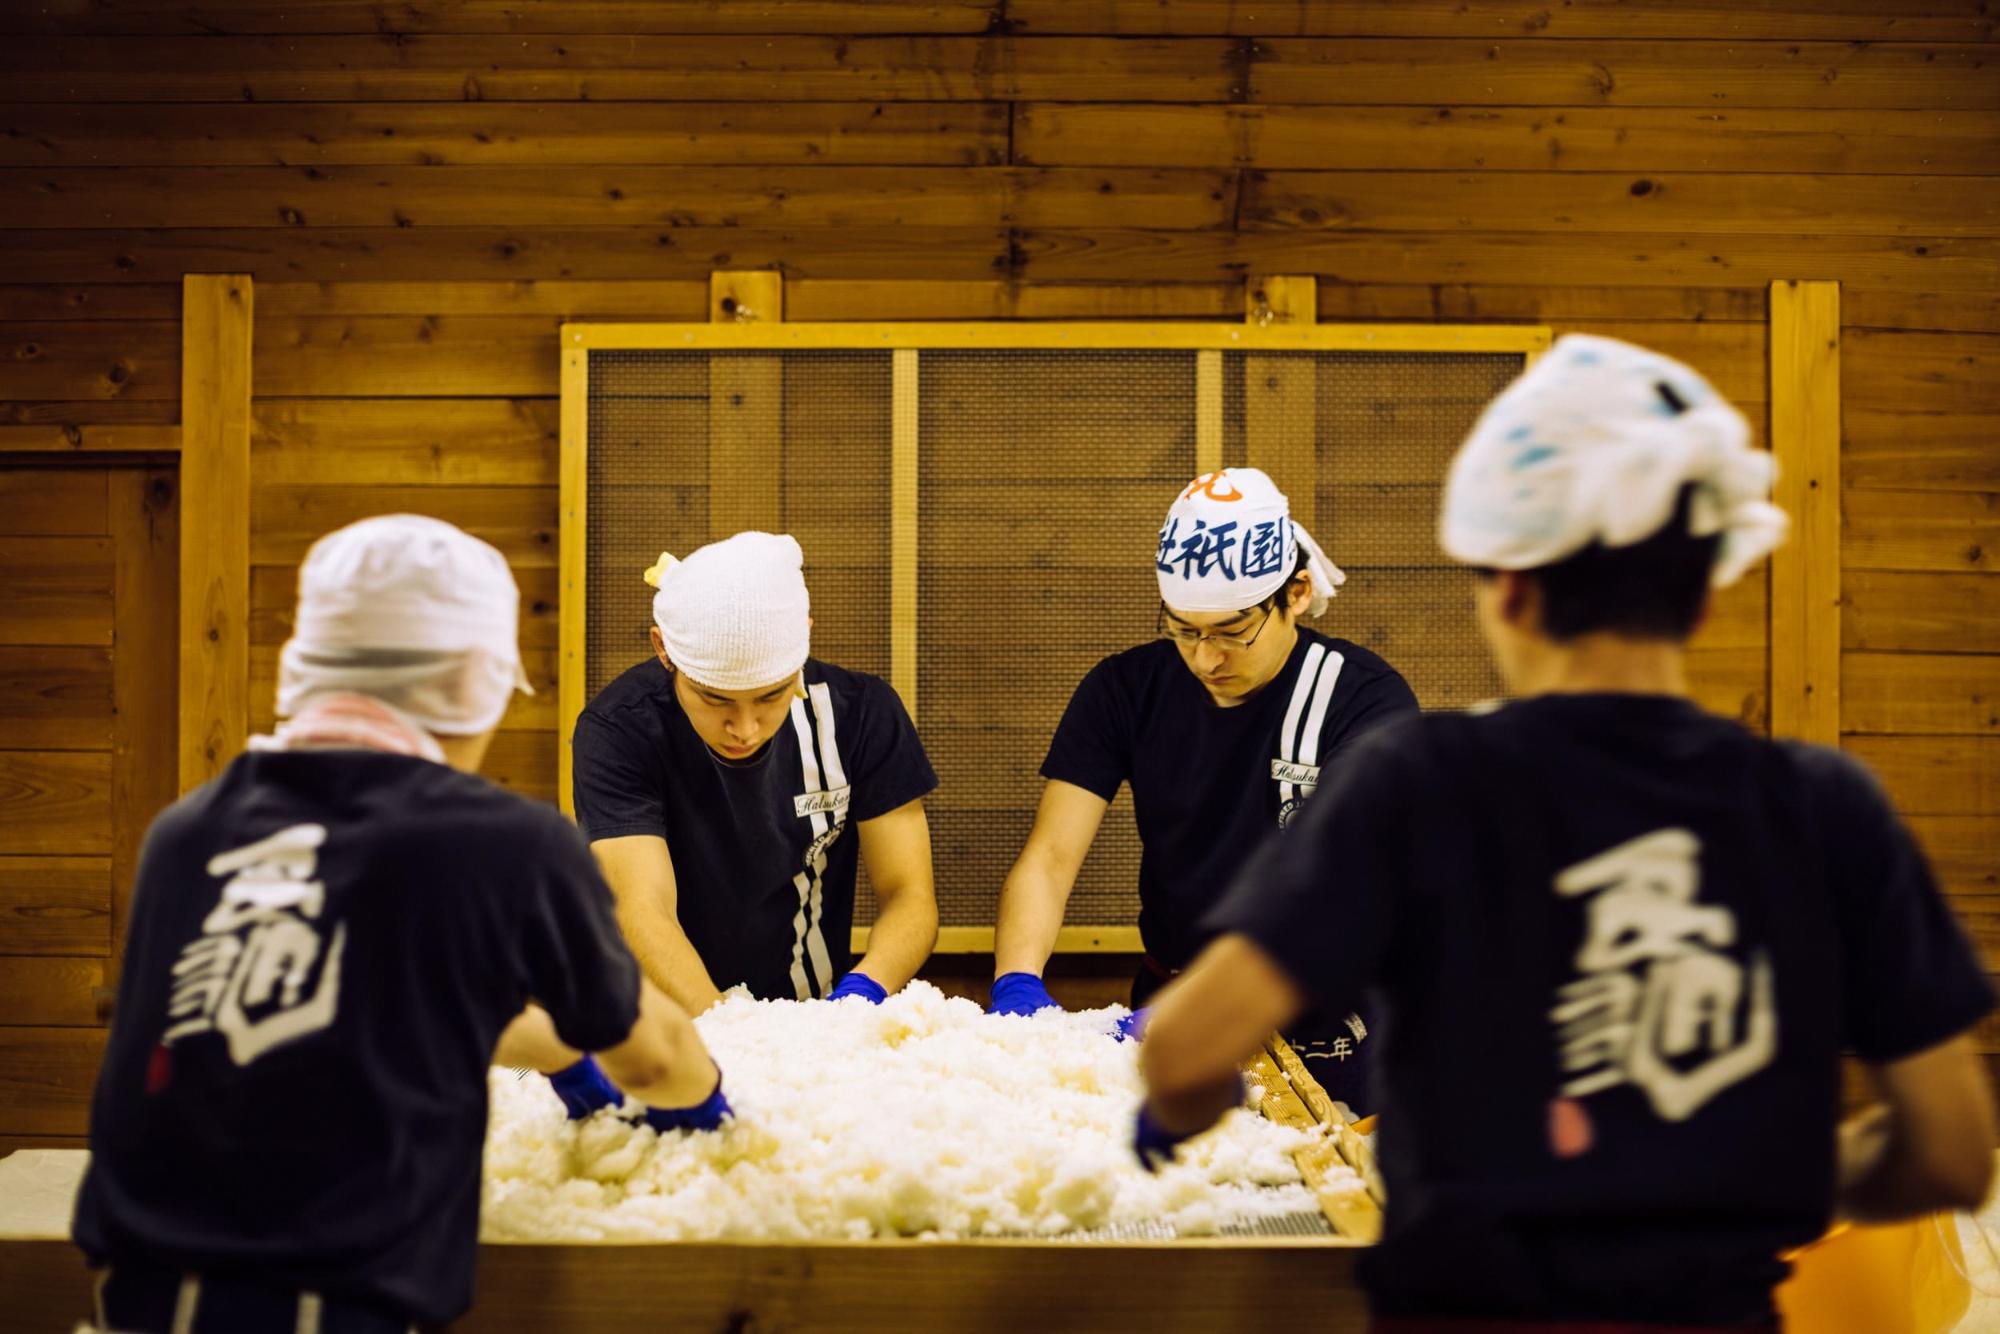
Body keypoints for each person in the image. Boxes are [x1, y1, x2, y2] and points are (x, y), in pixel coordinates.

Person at [1134, 336, 1998, 1329]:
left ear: (1507, 588)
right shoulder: (1824, 803)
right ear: (1701, 593)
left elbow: (1186, 1053)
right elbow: (1946, 1148)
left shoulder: (1414, 781)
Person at [73, 515, 731, 1334]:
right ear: (475, 681)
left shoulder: (192, 831)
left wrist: (563, 1059)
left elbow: (375, 1002)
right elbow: (658, 1052)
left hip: (128, 1301)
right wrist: (714, 1126)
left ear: (308, 665)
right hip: (329, 1308)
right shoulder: (506, 841)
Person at [988, 468, 1418, 1106]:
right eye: (1184, 629)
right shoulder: (1126, 690)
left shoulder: (1361, 700)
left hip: (1331, 1020)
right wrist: (1016, 981)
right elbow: (1051, 859)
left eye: (1231, 631)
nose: (1204, 658)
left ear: (1296, 593)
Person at [572, 531, 938, 1013]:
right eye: (714, 698)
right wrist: (729, 1027)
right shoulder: (620, 729)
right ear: (665, 652)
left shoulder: (861, 715)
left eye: (771, 695)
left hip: (811, 1014)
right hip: (652, 1017)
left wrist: (862, 993)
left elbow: (908, 894)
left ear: (803, 642)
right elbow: (644, 908)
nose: (744, 729)